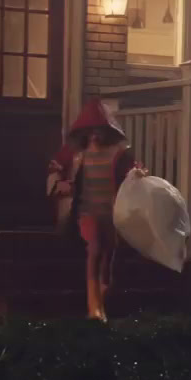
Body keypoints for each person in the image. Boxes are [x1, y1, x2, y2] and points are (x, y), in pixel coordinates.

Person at [47, 99, 145, 321]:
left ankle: (103, 294)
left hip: (112, 213)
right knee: (94, 249)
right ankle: (94, 308)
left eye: (98, 130)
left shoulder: (118, 154)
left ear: (107, 131)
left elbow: (133, 172)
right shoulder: (75, 153)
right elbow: (55, 168)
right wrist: (62, 182)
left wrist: (138, 174)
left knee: (109, 252)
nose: (94, 136)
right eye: (89, 131)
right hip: (86, 211)